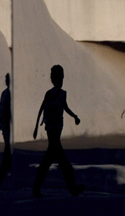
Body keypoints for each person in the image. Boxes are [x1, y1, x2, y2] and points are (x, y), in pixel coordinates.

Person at [32, 65, 85, 198]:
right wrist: (75, 116)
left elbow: (43, 108)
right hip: (55, 131)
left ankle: (37, 188)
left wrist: (36, 126)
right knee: (62, 162)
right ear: (60, 78)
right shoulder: (60, 94)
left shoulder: (50, 93)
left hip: (51, 129)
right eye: (61, 76)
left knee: (49, 161)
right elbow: (64, 107)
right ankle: (72, 189)